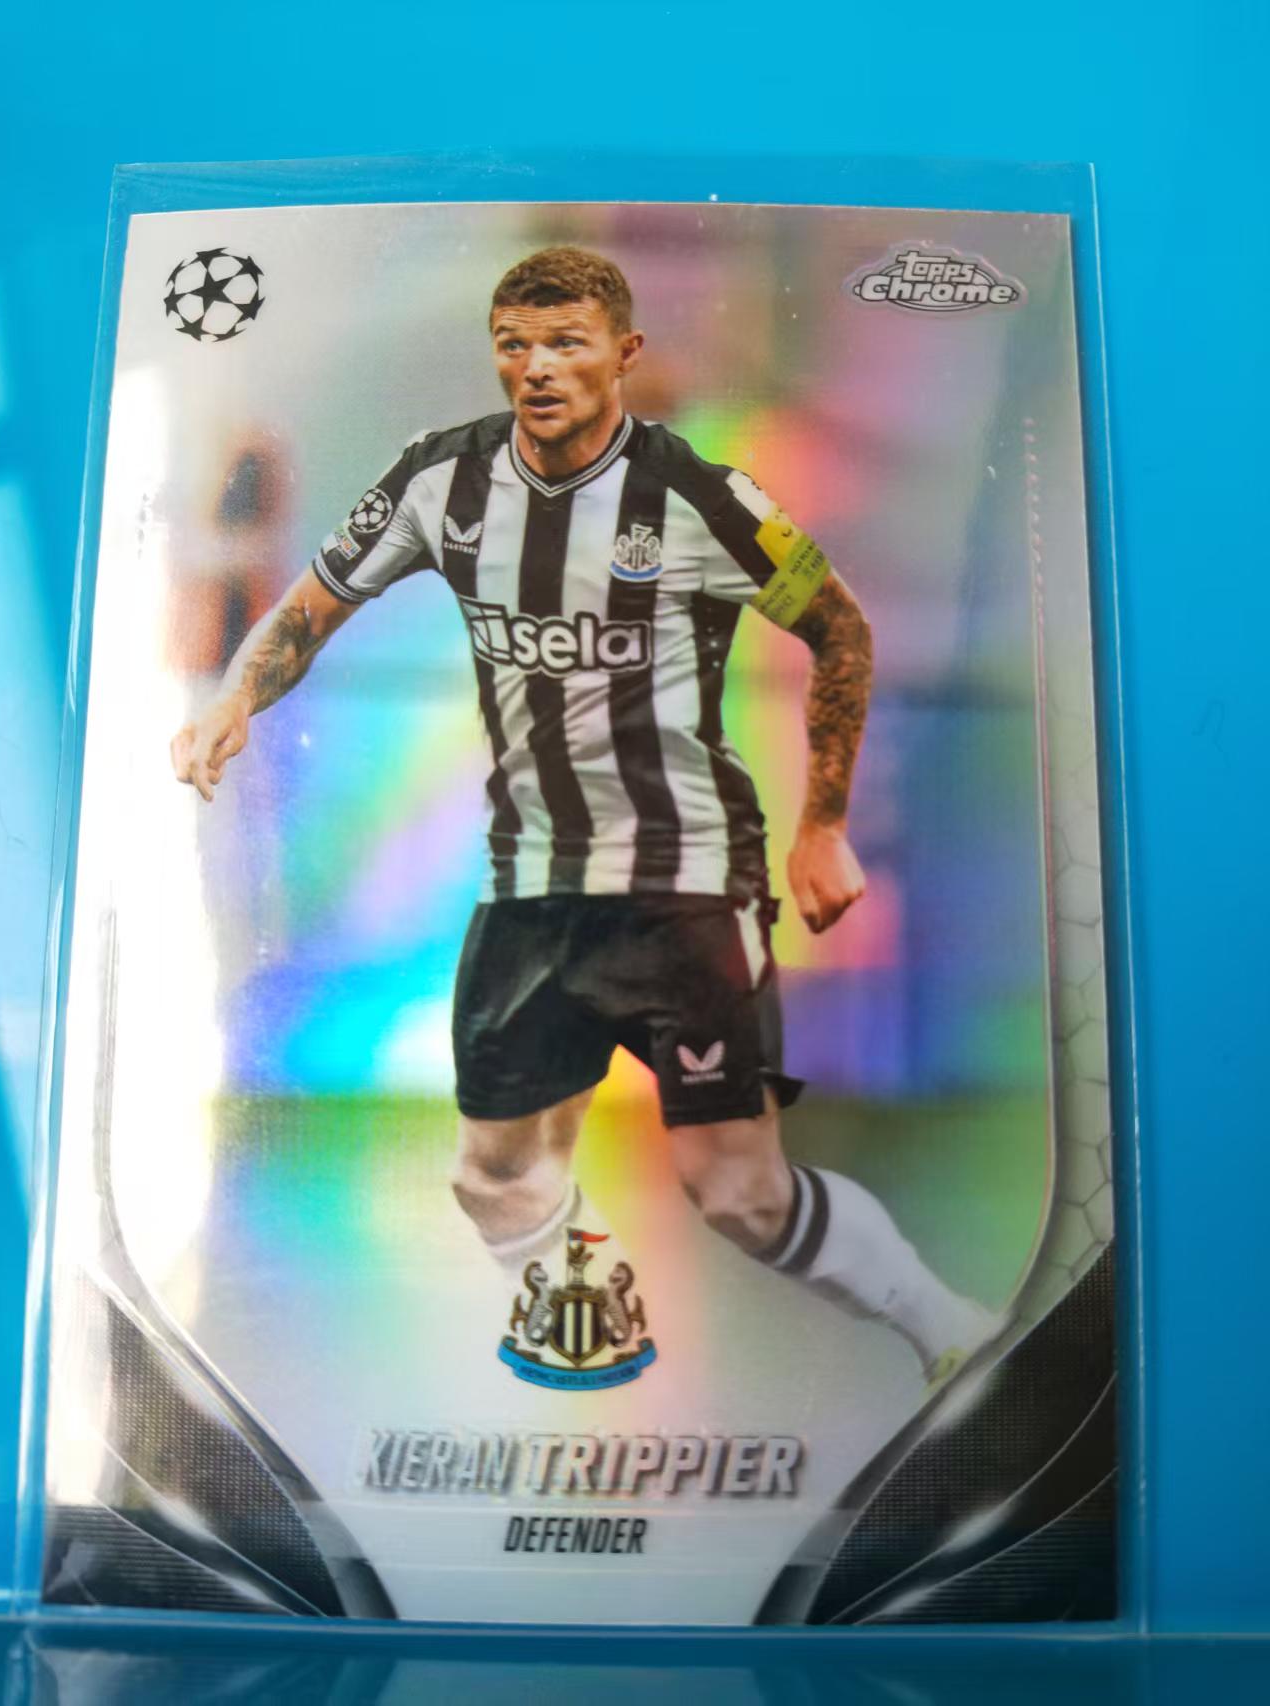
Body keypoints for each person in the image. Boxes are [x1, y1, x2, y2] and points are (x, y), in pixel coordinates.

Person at [171, 246, 996, 1384]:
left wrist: (821, 825)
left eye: (567, 344)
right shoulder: (440, 481)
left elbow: (840, 628)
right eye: (516, 345)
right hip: (529, 888)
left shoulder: (698, 497)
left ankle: (946, 1327)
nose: (539, 368)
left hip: (682, 886)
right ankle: (588, 1292)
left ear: (622, 354)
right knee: (491, 1179)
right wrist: (232, 698)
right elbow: (311, 606)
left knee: (740, 1194)